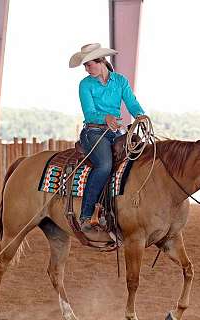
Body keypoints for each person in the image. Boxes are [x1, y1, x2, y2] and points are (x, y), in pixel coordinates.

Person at [68, 43, 146, 241]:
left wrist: (141, 115)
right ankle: (86, 215)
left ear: (101, 61)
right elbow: (89, 113)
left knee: (139, 159)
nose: (86, 69)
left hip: (116, 132)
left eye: (88, 64)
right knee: (104, 165)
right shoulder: (85, 85)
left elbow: (131, 102)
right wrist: (106, 118)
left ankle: (122, 212)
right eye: (85, 66)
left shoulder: (120, 81)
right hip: (93, 132)